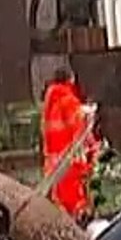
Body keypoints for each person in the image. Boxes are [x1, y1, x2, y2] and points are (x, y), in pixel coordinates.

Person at [41, 66, 100, 223]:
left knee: (59, 200)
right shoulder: (68, 100)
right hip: (69, 159)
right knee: (75, 200)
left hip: (53, 160)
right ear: (70, 79)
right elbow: (79, 129)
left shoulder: (51, 100)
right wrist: (94, 147)